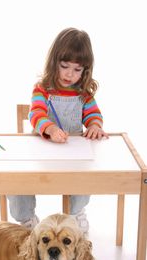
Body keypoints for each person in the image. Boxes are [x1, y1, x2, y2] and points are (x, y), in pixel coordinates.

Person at [8, 27, 108, 233]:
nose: (70, 74)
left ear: (86, 70)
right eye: (64, 66)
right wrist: (50, 128)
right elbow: (35, 114)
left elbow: (93, 115)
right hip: (41, 154)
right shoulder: (42, 89)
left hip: (72, 155)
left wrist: (95, 126)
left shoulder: (84, 94)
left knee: (85, 176)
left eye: (77, 69)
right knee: (17, 180)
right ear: (54, 62)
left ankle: (75, 214)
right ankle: (26, 221)